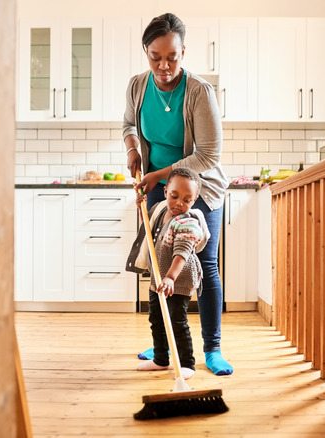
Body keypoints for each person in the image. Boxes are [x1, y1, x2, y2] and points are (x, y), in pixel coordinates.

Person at [123, 12, 233, 376]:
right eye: (156, 57)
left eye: (172, 57)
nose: (164, 65)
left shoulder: (199, 91)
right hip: (160, 188)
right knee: (160, 265)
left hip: (199, 186)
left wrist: (155, 175)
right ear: (146, 52)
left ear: (183, 52)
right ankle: (163, 343)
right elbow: (128, 124)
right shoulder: (138, 86)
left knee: (204, 266)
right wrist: (132, 150)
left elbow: (208, 155)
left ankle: (212, 348)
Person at [126, 167, 208, 379]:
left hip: (178, 279)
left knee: (177, 320)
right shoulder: (161, 210)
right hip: (159, 279)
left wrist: (171, 277)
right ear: (165, 193)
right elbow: (149, 228)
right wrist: (141, 208)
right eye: (174, 196)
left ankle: (187, 363)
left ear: (195, 199)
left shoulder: (187, 221)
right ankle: (161, 359)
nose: (180, 203)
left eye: (187, 199)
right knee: (157, 319)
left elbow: (182, 252)